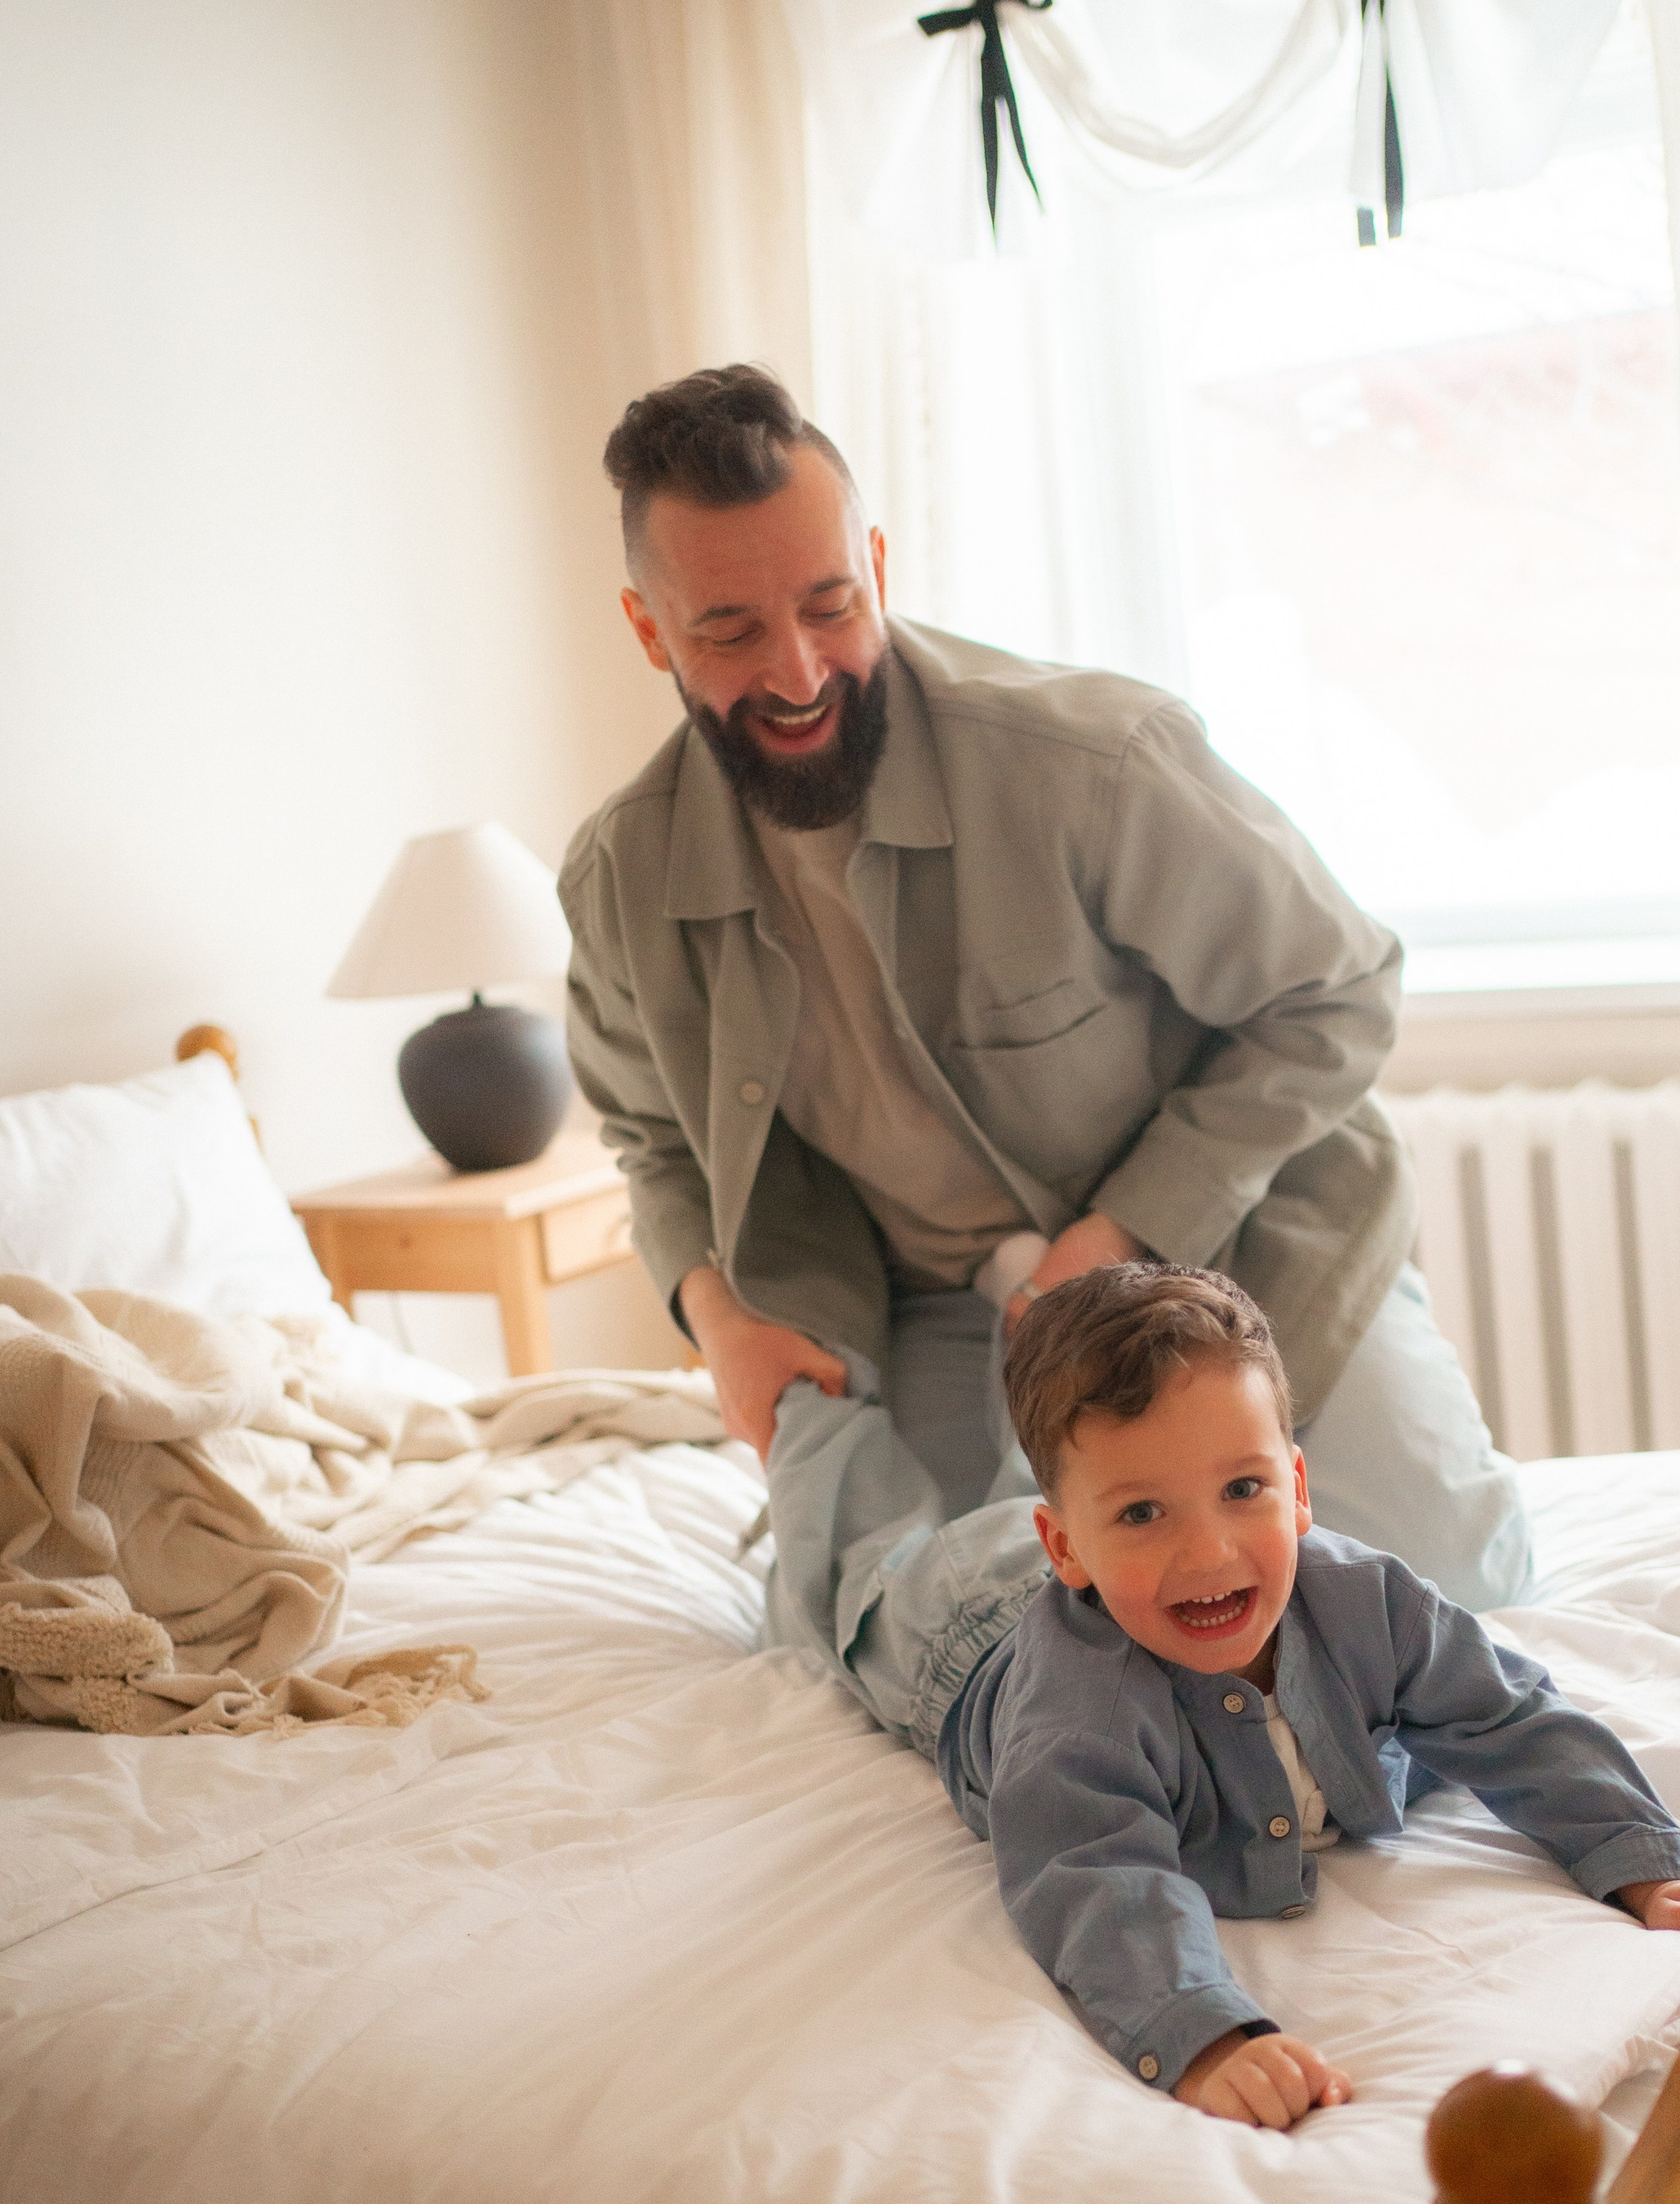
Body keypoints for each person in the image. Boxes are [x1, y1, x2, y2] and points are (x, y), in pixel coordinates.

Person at [561, 360, 1530, 1612]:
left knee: (1449, 1583)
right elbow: (649, 1138)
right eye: (730, 632)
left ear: (881, 569)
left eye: (830, 605)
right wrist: (719, 1321)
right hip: (926, 1316)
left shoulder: (1093, 764)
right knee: (944, 1631)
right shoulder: (620, 874)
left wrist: (1116, 1239)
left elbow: (1335, 993)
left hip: (1226, 1255)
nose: (799, 674)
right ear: (651, 632)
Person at [941, 1263, 1680, 2127]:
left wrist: (1641, 1867)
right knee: (866, 1571)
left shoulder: (1368, 1604)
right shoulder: (1076, 1712)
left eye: (1243, 1491)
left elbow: (1507, 1716)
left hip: (1073, 1578)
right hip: (960, 1645)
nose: (1208, 1555)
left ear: (1298, 1489)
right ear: (1066, 1547)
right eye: (1140, 1514)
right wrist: (1203, 2042)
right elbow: (1095, 1875)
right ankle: (822, 1414)